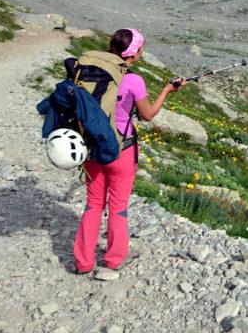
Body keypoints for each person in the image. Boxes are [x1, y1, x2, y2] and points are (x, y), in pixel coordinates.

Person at [73, 28, 185, 274]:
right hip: (120, 151)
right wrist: (167, 90)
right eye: (141, 47)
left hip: (90, 147)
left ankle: (83, 262)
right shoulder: (133, 80)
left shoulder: (91, 71)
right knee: (118, 205)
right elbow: (147, 115)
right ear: (133, 53)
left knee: (93, 204)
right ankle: (114, 259)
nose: (143, 51)